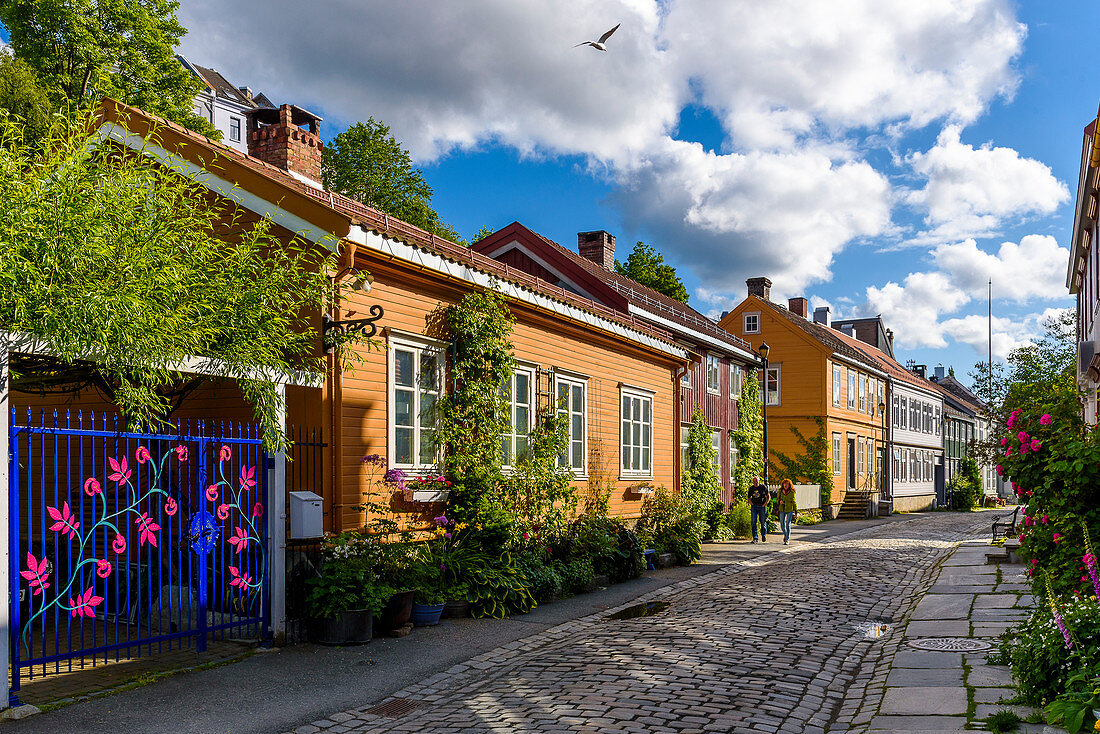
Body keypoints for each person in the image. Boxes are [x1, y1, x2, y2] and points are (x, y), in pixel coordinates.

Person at [747, 476, 769, 543]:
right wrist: (751, 503)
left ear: (759, 481)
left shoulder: (763, 487)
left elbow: (768, 496)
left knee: (763, 522)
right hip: (754, 506)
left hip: (761, 506)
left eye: (756, 481)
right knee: (753, 522)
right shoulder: (751, 488)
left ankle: (763, 535)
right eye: (754, 481)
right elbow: (749, 497)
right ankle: (755, 538)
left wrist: (765, 504)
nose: (755, 482)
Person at [776, 479, 798, 545]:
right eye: (784, 484)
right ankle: (785, 534)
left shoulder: (791, 492)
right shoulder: (780, 491)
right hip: (782, 509)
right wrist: (779, 501)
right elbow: (776, 499)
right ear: (783, 485)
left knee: (788, 524)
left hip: (789, 509)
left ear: (789, 485)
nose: (786, 485)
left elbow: (794, 501)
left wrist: (796, 512)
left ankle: (787, 539)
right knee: (782, 525)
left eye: (787, 484)